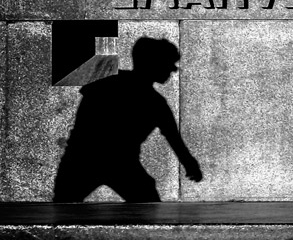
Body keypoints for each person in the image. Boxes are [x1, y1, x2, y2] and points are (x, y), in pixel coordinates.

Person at [53, 37, 202, 202]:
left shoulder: (102, 86)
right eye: (169, 63)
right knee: (148, 204)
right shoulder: (154, 102)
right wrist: (189, 163)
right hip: (120, 165)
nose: (173, 69)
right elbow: (173, 137)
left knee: (63, 208)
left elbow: (81, 130)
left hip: (82, 162)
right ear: (154, 63)